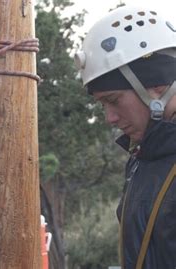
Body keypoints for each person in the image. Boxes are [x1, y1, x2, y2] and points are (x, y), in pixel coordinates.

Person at [74, 5, 176, 269]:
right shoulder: (143, 157)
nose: (110, 118)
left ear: (155, 85)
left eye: (114, 100)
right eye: (102, 105)